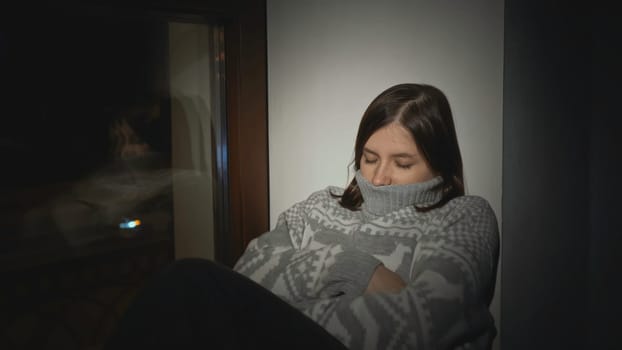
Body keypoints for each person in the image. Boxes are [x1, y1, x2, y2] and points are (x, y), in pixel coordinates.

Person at [104, 83, 499, 350]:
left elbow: (426, 323)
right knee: (187, 287)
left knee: (191, 284)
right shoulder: (320, 205)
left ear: (440, 164)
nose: (378, 176)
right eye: (369, 157)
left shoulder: (463, 215)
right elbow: (250, 270)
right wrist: (352, 267)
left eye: (403, 163)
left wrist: (284, 309)